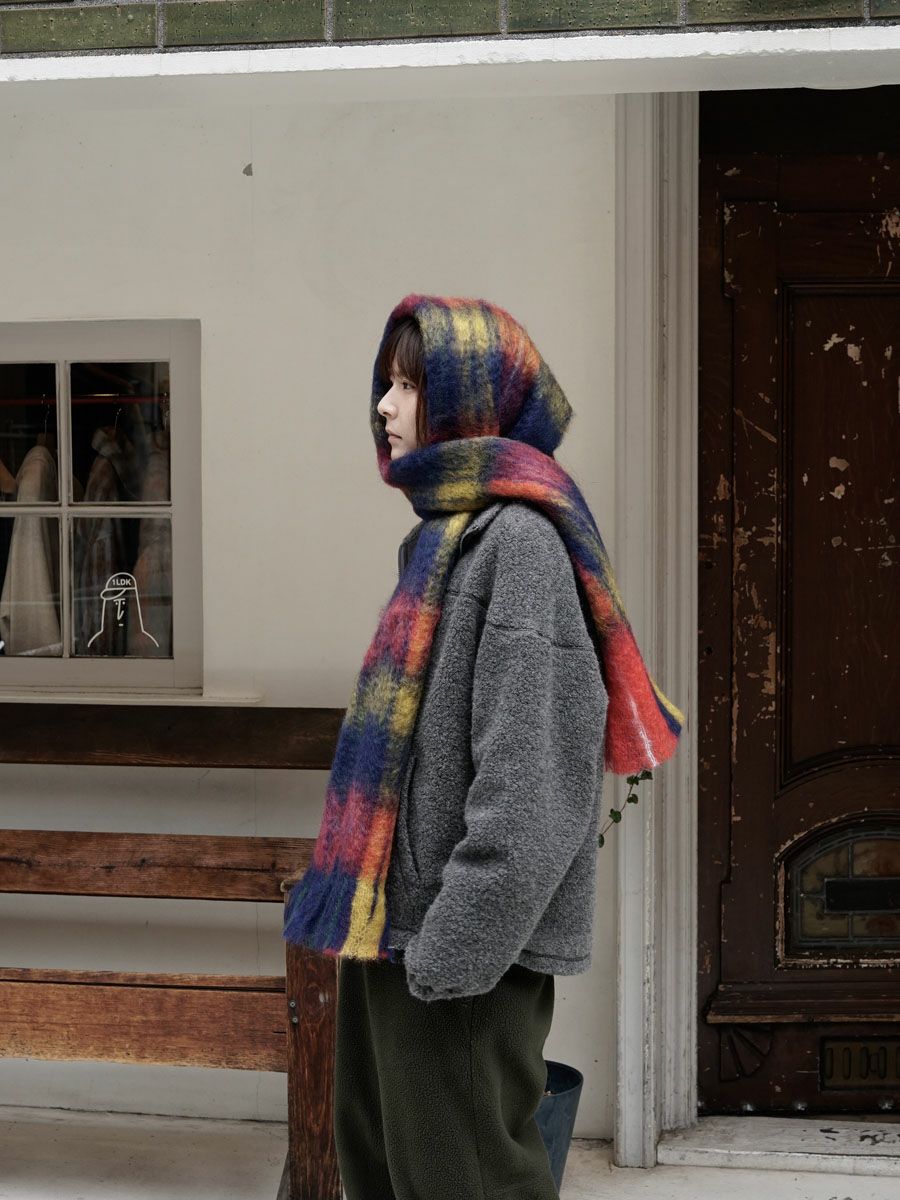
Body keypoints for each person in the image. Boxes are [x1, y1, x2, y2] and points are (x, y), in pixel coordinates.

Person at [282, 294, 684, 1200]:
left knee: (465, 1182)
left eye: (409, 385)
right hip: (392, 933)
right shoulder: (441, 543)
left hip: (453, 954)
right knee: (381, 1172)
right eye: (386, 383)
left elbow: (534, 790)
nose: (384, 405)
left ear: (468, 401)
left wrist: (453, 953)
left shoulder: (521, 548)